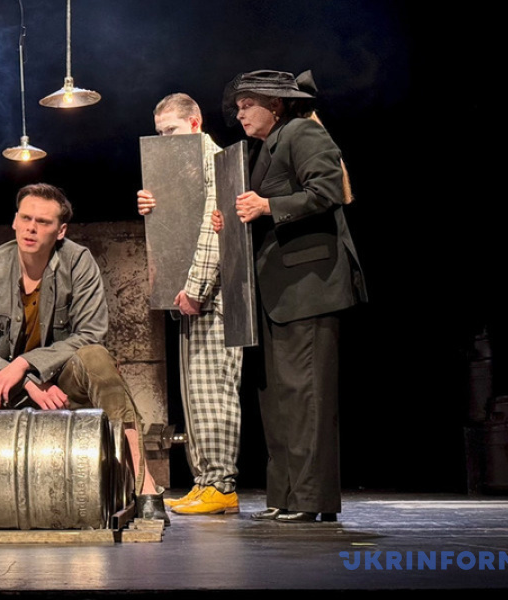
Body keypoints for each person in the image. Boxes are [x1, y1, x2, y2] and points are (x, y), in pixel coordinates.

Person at [0, 183, 169, 524]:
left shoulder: (77, 262)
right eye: (25, 218)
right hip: (7, 388)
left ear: (61, 231)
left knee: (97, 357)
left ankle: (144, 485)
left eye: (43, 222)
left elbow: (90, 333)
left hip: (62, 385)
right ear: (14, 221)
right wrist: (26, 381)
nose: (31, 228)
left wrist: (27, 364)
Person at [216, 70, 366, 523]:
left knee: (306, 396)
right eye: (238, 107)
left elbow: (328, 190)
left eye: (248, 105)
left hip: (309, 287)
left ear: (276, 105)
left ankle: (311, 500)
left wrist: (267, 206)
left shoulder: (302, 132)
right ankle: (284, 495)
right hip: (276, 291)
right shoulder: (263, 149)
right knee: (278, 398)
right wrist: (234, 221)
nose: (240, 114)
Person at [136, 94, 243, 515]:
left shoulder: (217, 162)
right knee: (196, 393)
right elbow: (177, 229)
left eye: (172, 131)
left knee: (215, 391)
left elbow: (213, 231)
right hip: (189, 296)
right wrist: (153, 208)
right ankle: (205, 481)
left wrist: (196, 288)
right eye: (160, 133)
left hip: (215, 296)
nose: (166, 140)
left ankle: (220, 483)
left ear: (195, 124)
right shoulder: (179, 170)